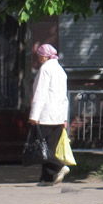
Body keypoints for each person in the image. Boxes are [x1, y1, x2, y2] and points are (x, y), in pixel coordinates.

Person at [29, 44, 70, 186]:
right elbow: (64, 96)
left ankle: (60, 167)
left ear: (44, 56)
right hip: (58, 116)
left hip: (46, 115)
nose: (38, 58)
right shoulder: (60, 70)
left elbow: (40, 93)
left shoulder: (45, 69)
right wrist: (65, 118)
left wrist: (34, 116)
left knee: (42, 148)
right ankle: (46, 179)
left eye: (39, 55)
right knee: (50, 147)